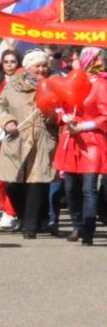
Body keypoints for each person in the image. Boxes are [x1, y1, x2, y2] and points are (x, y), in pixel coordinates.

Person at [0, 50, 58, 240]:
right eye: (37, 66)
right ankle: (24, 217)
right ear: (28, 67)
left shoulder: (54, 85)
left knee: (36, 184)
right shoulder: (14, 84)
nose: (41, 69)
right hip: (17, 139)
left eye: (44, 65)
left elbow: (64, 110)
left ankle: (30, 227)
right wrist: (6, 121)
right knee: (13, 185)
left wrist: (53, 116)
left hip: (43, 140)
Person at [53, 61, 107, 246]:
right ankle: (77, 224)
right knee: (70, 187)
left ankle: (88, 231)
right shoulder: (70, 81)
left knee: (89, 187)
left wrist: (84, 125)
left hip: (92, 141)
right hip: (71, 140)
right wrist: (64, 117)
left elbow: (105, 115)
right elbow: (59, 104)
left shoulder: (100, 85)